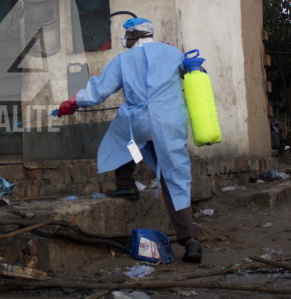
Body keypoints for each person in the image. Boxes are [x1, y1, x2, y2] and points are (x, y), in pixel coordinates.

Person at [56, 17, 201, 263]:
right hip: (170, 121)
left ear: (136, 35)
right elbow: (192, 71)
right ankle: (190, 241)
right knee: (173, 174)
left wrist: (72, 102)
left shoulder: (123, 60)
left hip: (141, 120)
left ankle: (125, 183)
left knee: (128, 142)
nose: (126, 40)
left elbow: (99, 90)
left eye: (128, 35)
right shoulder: (172, 52)